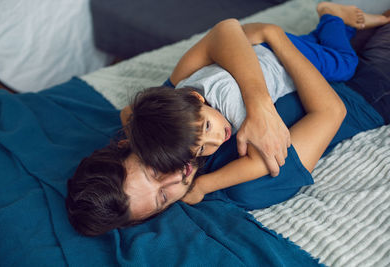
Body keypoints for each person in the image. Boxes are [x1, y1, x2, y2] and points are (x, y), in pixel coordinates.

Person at [65, 3, 390, 236]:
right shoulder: (244, 186)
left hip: (315, 47)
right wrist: (274, 37)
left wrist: (259, 102)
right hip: (368, 87)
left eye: (154, 170)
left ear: (130, 143)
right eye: (163, 197)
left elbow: (225, 32)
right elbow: (332, 112)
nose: (177, 178)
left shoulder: (168, 126)